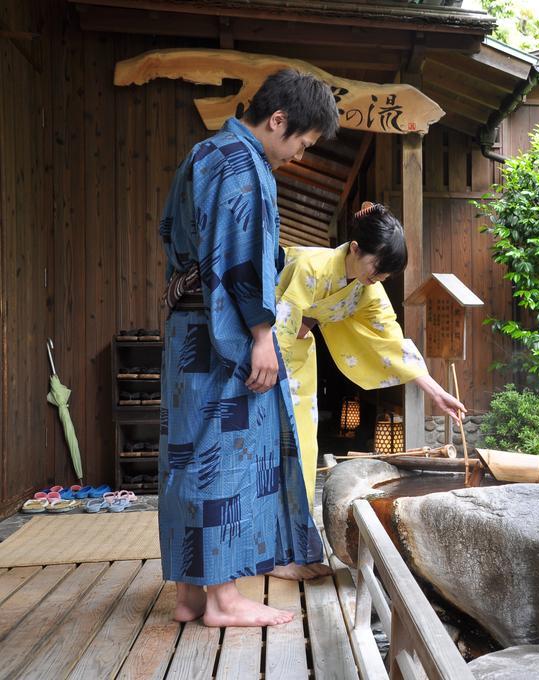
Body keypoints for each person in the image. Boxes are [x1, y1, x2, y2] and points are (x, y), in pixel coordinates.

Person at [158, 69, 338, 628]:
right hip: (225, 338)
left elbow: (174, 231)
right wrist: (262, 335)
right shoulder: (241, 162)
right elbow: (236, 256)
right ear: (278, 120)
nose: (298, 157)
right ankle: (223, 599)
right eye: (301, 144)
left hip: (189, 332)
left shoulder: (204, 153)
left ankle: (191, 593)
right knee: (224, 460)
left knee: (188, 457)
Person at [275, 201, 467, 502]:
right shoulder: (310, 266)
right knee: (265, 435)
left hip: (298, 355)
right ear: (354, 249)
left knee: (301, 440)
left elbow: (391, 338)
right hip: (266, 352)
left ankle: (297, 523)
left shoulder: (367, 289)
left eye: (384, 276)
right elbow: (281, 323)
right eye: (376, 269)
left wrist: (434, 390)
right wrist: (269, 358)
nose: (378, 279)